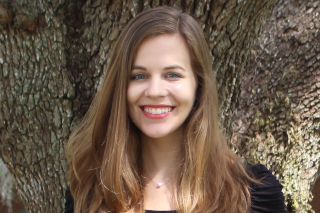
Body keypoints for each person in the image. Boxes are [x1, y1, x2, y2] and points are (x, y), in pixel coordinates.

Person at [65, 6, 286, 213]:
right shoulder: (91, 191)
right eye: (139, 76)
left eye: (172, 75)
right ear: (121, 86)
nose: (155, 91)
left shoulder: (252, 192)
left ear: (198, 85)